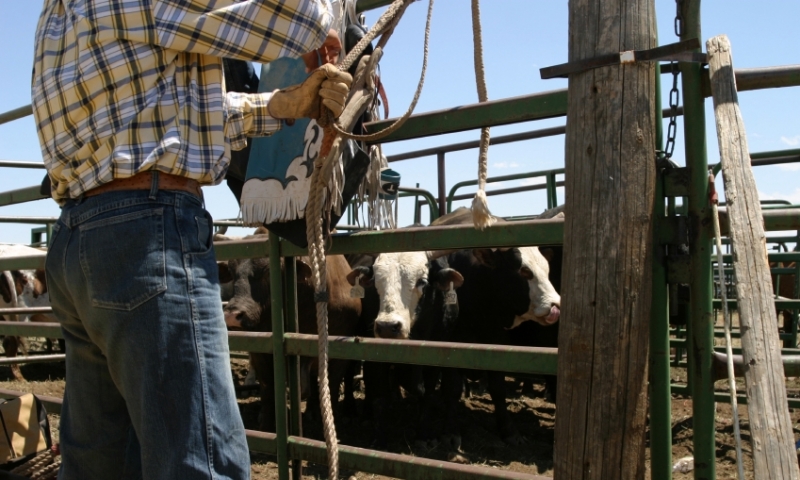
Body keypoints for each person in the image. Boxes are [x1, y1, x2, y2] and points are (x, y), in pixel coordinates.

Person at [30, 1, 352, 479]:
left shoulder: (57, 15)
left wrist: (280, 106)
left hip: (80, 235)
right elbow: (293, 17)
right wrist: (325, 21)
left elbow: (161, 111)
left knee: (101, 461)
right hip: (149, 232)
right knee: (200, 462)